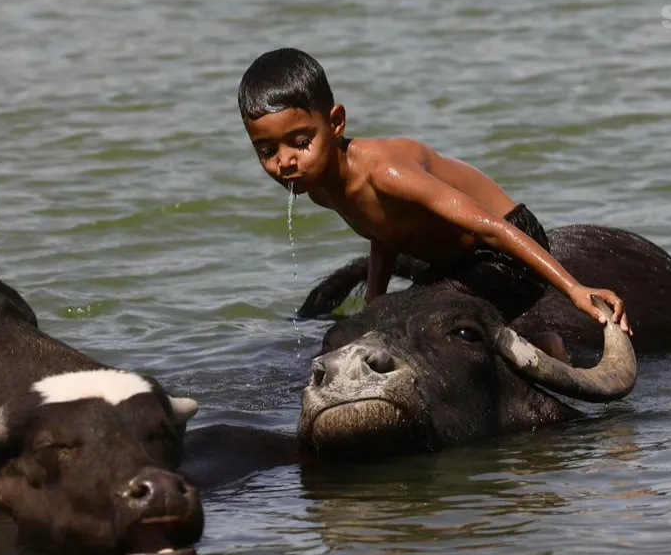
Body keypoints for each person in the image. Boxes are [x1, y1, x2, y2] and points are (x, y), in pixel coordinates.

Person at [237, 47, 631, 350]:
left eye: (301, 142)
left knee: (422, 328)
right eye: (267, 151)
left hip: (503, 250)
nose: (285, 162)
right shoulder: (319, 184)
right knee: (385, 322)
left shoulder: (385, 172)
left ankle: (544, 348)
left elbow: (489, 227)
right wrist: (374, 300)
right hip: (457, 263)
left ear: (336, 122)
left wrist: (575, 289)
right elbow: (384, 232)